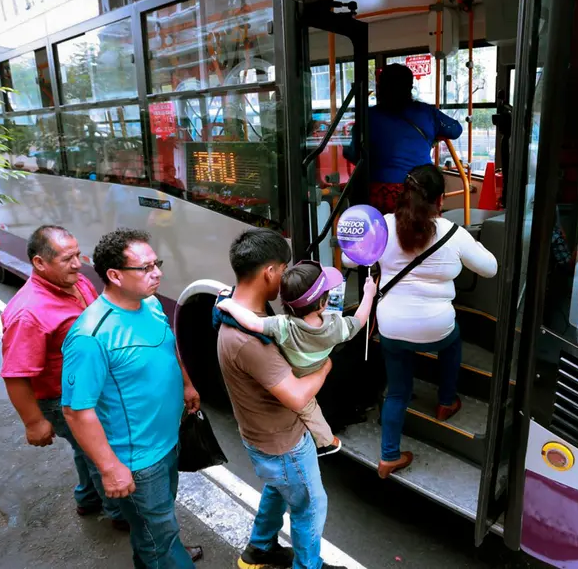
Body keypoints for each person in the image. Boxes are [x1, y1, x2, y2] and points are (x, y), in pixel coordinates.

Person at [61, 228, 203, 567]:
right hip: (137, 461)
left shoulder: (150, 304)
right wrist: (110, 469)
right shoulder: (90, 336)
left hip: (168, 442)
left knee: (155, 529)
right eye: (146, 267)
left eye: (158, 263)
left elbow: (168, 347)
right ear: (114, 275)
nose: (158, 273)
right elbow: (76, 411)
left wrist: (186, 385)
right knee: (160, 537)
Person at [217, 228, 345, 569]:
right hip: (282, 442)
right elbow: (298, 396)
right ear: (269, 273)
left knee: (278, 488)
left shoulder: (235, 306)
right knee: (311, 506)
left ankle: (260, 549)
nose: (287, 278)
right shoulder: (250, 339)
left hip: (261, 436)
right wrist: (326, 364)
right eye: (284, 269)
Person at [371, 164, 497, 478]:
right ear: (440, 200)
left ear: (405, 193)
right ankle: (445, 401)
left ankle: (388, 457)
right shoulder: (454, 234)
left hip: (392, 326)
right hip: (436, 326)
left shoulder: (384, 226)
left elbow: (349, 258)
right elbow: (490, 268)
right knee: (452, 343)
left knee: (398, 392)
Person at [0, 225, 126, 531]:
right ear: (40, 263)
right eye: (66, 258)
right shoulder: (28, 313)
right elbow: (15, 374)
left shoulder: (76, 281)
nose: (77, 264)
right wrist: (34, 422)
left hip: (89, 388)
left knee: (84, 447)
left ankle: (87, 497)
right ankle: (121, 513)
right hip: (63, 400)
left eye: (76, 255)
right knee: (99, 452)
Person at [216, 261, 377, 457]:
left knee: (308, 407)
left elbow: (253, 322)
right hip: (315, 368)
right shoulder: (336, 327)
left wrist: (228, 303)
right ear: (322, 304)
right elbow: (360, 319)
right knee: (308, 406)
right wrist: (369, 293)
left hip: (293, 372)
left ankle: (326, 440)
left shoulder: (284, 326)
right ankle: (325, 441)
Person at [344, 64, 463, 214]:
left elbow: (354, 153)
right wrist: (434, 137)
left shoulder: (368, 116)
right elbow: (455, 129)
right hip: (417, 190)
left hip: (375, 192)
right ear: (410, 87)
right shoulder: (426, 112)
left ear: (381, 87)